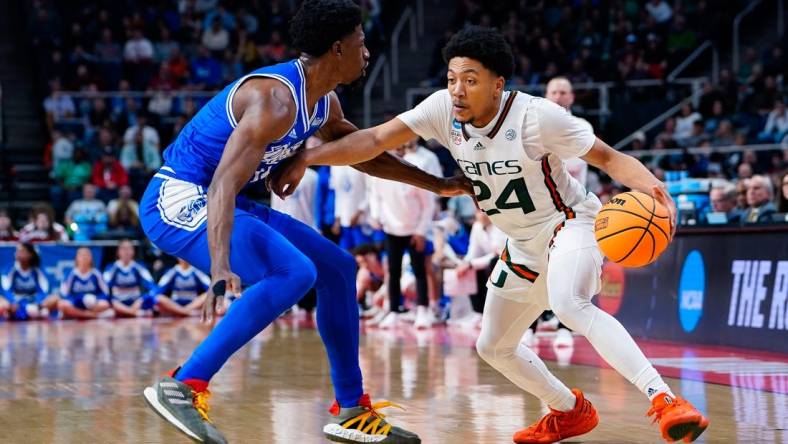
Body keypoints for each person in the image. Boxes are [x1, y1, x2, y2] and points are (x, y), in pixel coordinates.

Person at [271, 26, 708, 444]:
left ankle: (664, 399)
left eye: (471, 80)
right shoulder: (443, 109)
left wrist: (657, 192)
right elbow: (374, 140)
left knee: (569, 303)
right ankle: (567, 408)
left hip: (568, 223)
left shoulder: (539, 118)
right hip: (519, 244)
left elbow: (610, 159)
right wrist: (309, 156)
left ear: (497, 84)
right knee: (493, 346)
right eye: (452, 78)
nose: (457, 90)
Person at [138, 1, 467, 443]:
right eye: (361, 43)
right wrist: (220, 267)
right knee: (294, 272)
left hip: (224, 199)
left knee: (338, 268)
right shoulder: (274, 100)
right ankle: (184, 384)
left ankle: (351, 409)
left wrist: (439, 184)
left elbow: (365, 152)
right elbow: (219, 185)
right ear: (336, 49)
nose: (367, 52)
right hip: (178, 199)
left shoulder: (324, 103)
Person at [1, 243, 56, 320]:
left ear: (30, 255)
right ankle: (28, 313)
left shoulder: (37, 270)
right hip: (15, 303)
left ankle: (29, 312)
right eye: (17, 251)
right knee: (2, 303)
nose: (19, 254)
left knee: (55, 298)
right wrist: (13, 302)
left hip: (34, 303)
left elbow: (44, 290)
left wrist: (37, 303)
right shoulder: (10, 269)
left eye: (23, 251)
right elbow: (6, 290)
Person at [103, 240, 157, 317]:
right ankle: (134, 313)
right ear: (118, 252)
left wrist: (141, 300)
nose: (126, 252)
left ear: (133, 251)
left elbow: (151, 285)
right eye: (123, 249)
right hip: (118, 303)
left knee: (152, 300)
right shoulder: (112, 267)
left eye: (129, 249)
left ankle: (126, 312)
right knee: (108, 302)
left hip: (136, 302)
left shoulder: (139, 267)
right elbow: (104, 287)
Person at [57, 247, 112, 319]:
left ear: (91, 258)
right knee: (61, 304)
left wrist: (96, 299)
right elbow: (64, 293)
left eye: (86, 255)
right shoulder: (72, 274)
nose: (84, 257)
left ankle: (75, 314)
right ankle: (91, 315)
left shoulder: (96, 273)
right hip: (76, 303)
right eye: (81, 255)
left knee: (105, 304)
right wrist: (77, 300)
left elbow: (106, 292)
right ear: (76, 258)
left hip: (93, 304)